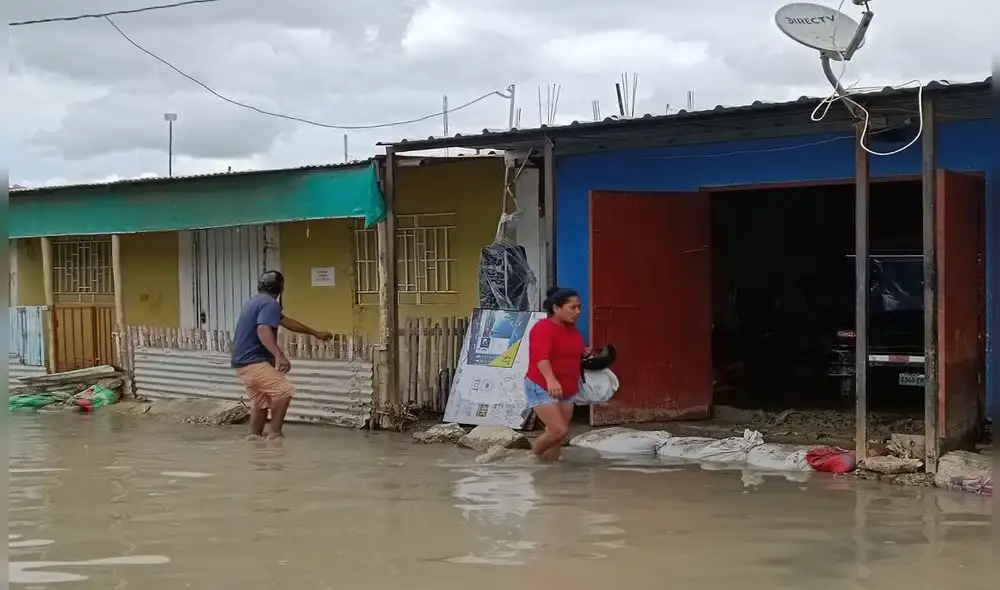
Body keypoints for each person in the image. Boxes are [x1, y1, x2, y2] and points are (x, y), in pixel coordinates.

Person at [231, 270, 332, 439]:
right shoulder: (270, 304)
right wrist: (279, 355)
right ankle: (275, 436)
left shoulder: (255, 302)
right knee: (283, 392)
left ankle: (254, 439)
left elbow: (287, 322)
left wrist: (315, 333)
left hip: (242, 362)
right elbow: (263, 329)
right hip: (254, 361)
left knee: (260, 403)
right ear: (280, 288)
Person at [524, 286, 591, 461]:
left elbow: (570, 350)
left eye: (579, 307)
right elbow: (541, 358)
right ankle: (530, 459)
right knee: (558, 430)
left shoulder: (572, 329)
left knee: (558, 436)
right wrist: (551, 380)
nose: (578, 312)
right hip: (543, 385)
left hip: (566, 387)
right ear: (556, 308)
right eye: (572, 307)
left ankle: (550, 468)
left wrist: (584, 352)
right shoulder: (543, 328)